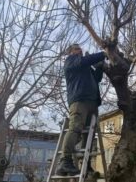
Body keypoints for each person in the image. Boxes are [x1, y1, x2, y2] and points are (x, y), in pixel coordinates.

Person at [55, 44, 106, 176]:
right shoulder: (71, 61)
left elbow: (97, 79)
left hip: (92, 103)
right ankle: (65, 161)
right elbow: (85, 61)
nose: (80, 50)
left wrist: (99, 67)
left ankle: (86, 164)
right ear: (71, 52)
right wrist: (103, 53)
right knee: (75, 128)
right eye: (77, 49)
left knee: (88, 135)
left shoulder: (85, 67)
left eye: (80, 49)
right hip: (79, 101)